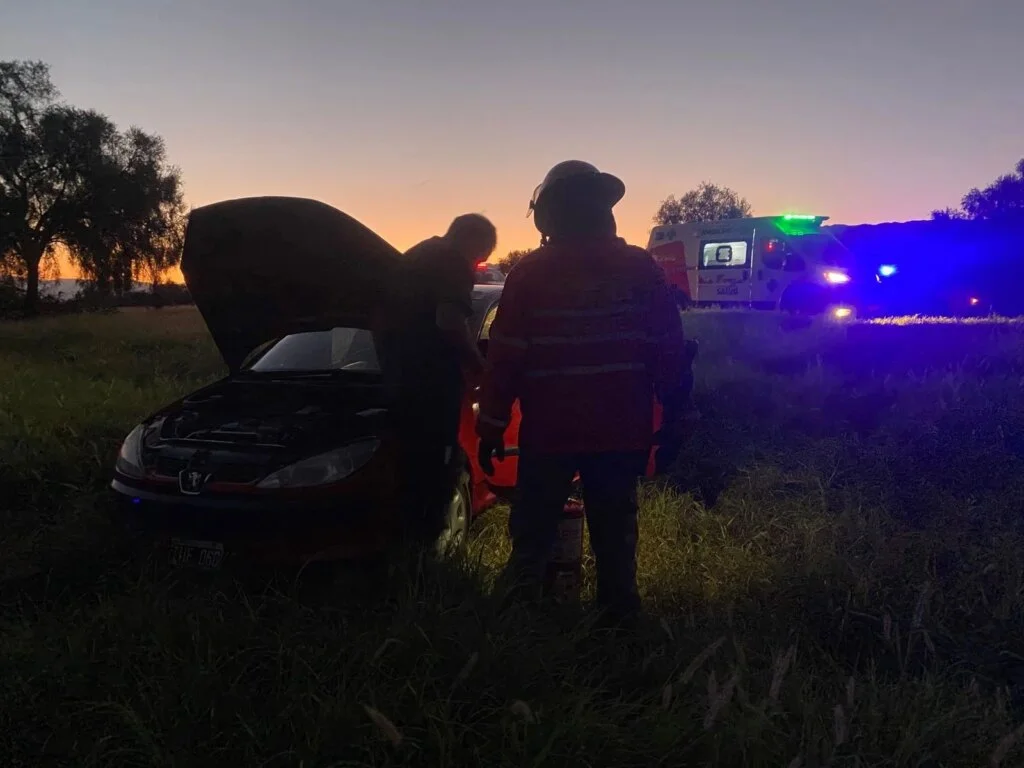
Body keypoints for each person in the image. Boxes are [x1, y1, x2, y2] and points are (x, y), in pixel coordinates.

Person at [475, 161, 697, 625]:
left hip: (550, 432)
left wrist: (492, 426)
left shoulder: (530, 273)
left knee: (532, 538)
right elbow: (668, 350)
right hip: (621, 428)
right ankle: (621, 635)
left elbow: (506, 358)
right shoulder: (641, 269)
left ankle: (513, 632)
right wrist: (676, 417)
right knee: (616, 539)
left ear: (549, 213)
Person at [382, 213, 497, 546]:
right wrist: (478, 365)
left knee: (408, 472)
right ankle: (426, 559)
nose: (476, 266)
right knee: (436, 472)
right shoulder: (451, 263)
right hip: (430, 386)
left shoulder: (417, 256)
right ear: (473, 242)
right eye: (479, 258)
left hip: (397, 379)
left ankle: (401, 551)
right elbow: (449, 321)